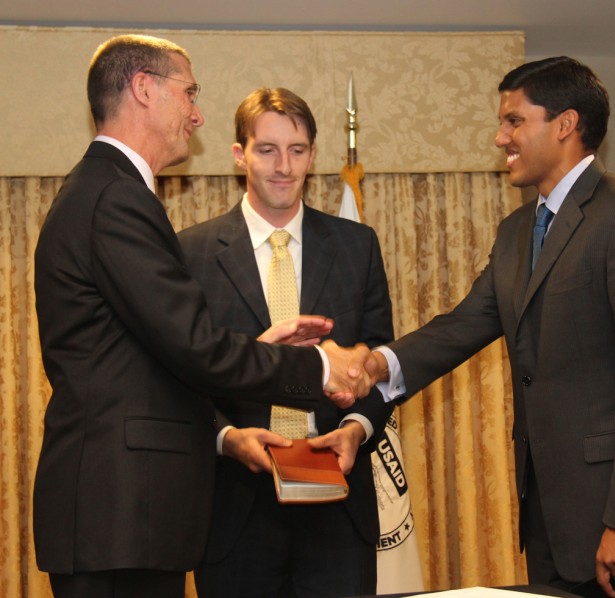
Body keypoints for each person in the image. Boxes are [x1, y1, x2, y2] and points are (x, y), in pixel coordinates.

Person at [342, 56, 615, 597]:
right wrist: (380, 363)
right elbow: (468, 322)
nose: (501, 137)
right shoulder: (519, 229)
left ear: (565, 124)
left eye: (514, 120)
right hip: (551, 515)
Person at [33, 35, 369, 598]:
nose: (197, 113)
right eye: (188, 92)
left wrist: (256, 345)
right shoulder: (115, 197)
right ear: (144, 88)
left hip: (125, 515)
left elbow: (152, 353)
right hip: (121, 511)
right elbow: (195, 346)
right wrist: (317, 368)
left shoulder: (107, 190)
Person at [177, 86, 394, 597]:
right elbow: (181, 379)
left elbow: (382, 364)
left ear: (313, 156)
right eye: (267, 149)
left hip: (339, 513)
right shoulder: (190, 253)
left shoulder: (356, 246)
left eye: (297, 150)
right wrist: (228, 438)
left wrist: (358, 430)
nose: (283, 166)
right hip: (234, 514)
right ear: (239, 155)